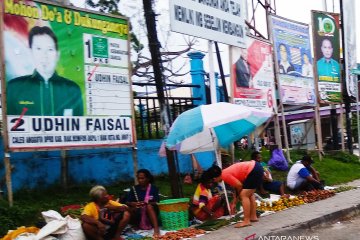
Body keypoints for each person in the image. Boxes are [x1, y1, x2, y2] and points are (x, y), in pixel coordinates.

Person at [7, 26, 83, 116]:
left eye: (50, 49)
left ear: (57, 55)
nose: (44, 55)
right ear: (31, 52)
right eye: (38, 49)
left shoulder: (72, 90)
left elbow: (79, 125)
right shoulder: (15, 87)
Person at [207, 160, 264, 228]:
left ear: (214, 178)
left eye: (213, 180)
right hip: (256, 167)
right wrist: (234, 201)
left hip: (253, 170)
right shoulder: (225, 172)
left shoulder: (225, 175)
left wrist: (236, 200)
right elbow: (236, 187)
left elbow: (239, 186)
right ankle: (253, 216)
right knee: (249, 193)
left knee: (244, 195)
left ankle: (246, 221)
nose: (215, 182)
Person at [125, 169, 160, 237]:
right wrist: (134, 203)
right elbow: (127, 202)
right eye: (138, 178)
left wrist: (146, 203)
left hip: (151, 211)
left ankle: (156, 229)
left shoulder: (153, 188)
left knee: (149, 207)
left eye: (142, 178)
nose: (140, 180)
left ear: (148, 178)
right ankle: (137, 224)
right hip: (138, 211)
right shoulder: (134, 189)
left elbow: (157, 202)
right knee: (128, 209)